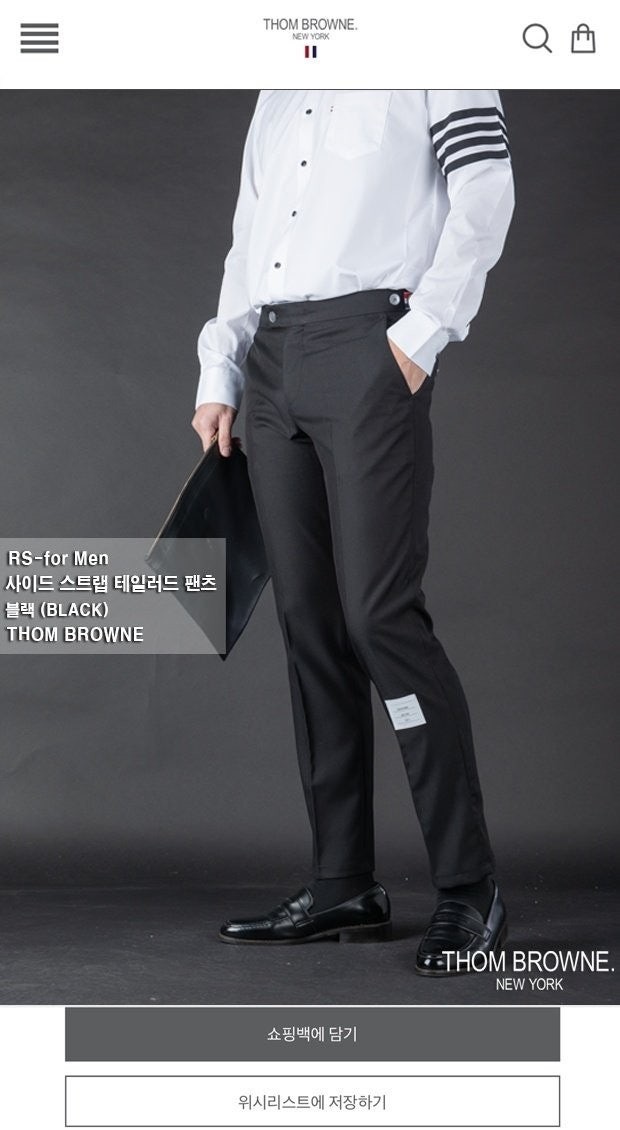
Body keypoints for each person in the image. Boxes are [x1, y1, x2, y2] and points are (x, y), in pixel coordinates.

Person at [192, 90, 515, 975]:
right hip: (272, 360)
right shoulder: (283, 83)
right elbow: (251, 235)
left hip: (370, 345)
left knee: (379, 618)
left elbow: (486, 188)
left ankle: (469, 886)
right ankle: (342, 883)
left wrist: (420, 336)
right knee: (311, 625)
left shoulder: (436, 52)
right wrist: (222, 369)